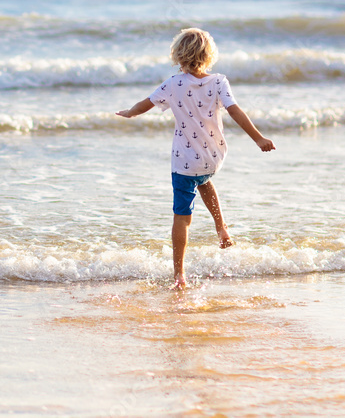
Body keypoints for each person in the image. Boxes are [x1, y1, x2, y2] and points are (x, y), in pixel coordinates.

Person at [116, 27, 275, 289]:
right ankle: (221, 227)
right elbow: (235, 111)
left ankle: (179, 274)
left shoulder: (172, 83)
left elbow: (146, 104)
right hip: (213, 156)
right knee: (204, 179)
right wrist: (258, 138)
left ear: (178, 55)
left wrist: (130, 113)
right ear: (209, 55)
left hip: (184, 159)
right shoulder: (219, 81)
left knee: (182, 216)